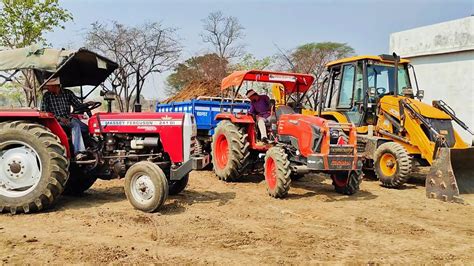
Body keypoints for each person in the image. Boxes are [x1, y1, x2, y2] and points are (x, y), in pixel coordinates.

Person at [40, 77, 89, 160]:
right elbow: (44, 112)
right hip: (55, 121)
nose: (47, 88)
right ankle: (78, 152)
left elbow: (77, 105)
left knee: (86, 128)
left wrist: (87, 104)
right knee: (75, 125)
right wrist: (59, 118)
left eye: (49, 86)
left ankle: (90, 148)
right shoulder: (47, 96)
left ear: (56, 86)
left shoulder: (67, 93)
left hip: (68, 118)